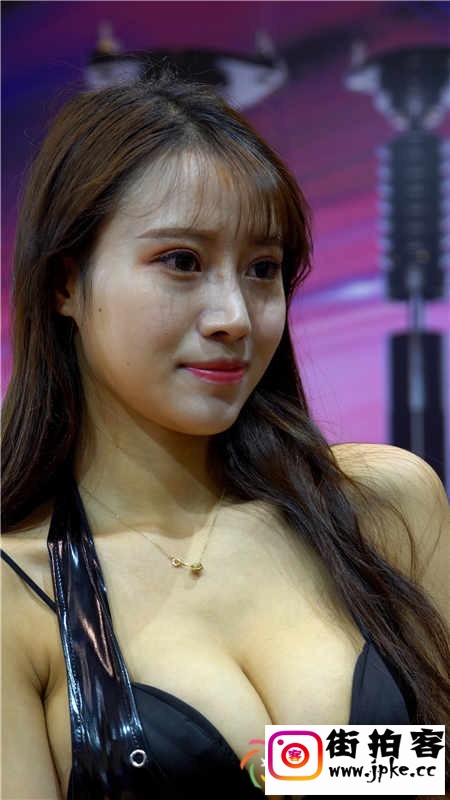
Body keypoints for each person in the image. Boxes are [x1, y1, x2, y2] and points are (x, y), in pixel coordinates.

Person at [1, 70, 449, 800]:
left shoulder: (385, 507)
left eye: (263, 269)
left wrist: (284, 764)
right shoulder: (14, 598)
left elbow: (433, 769)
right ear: (65, 283)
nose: (234, 316)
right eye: (182, 261)